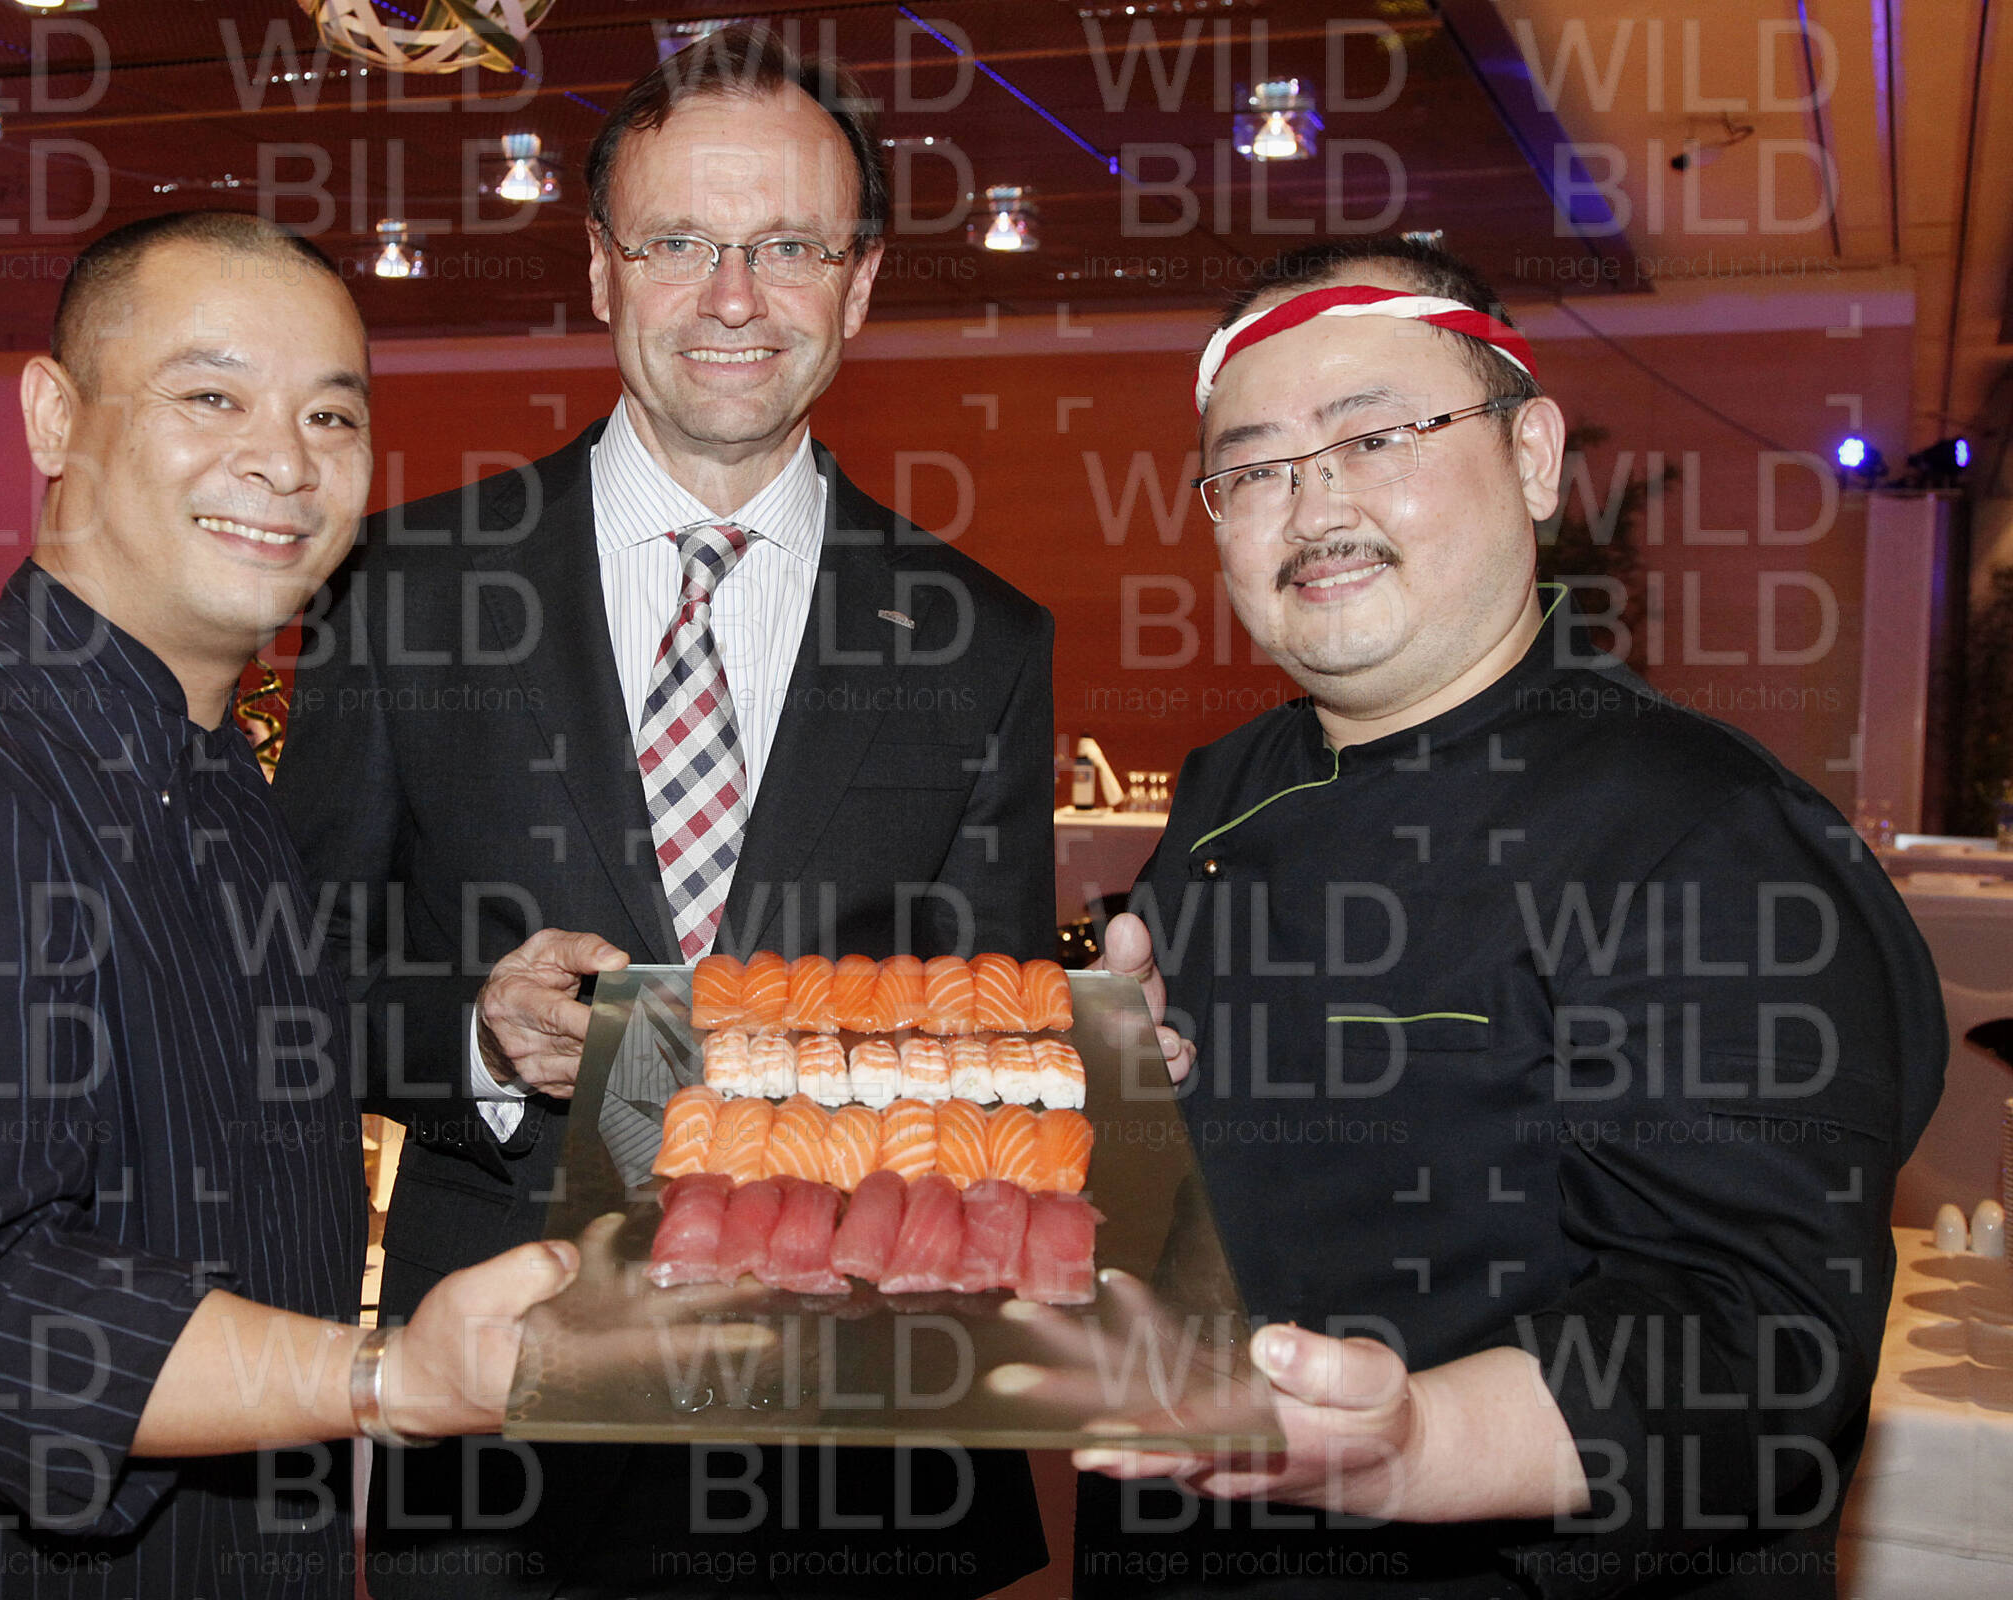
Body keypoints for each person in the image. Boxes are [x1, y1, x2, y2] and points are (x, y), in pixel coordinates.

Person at [0, 211, 585, 1599]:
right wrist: (387, 1376)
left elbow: (215, 1081)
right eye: (211, 397)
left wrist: (484, 1027)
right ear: (55, 417)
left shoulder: (217, 778)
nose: (285, 462)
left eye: (331, 415)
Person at [275, 24, 1057, 1597]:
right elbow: (285, 986)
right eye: (681, 241)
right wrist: (477, 1036)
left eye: (789, 246)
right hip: (502, 1428)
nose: (733, 297)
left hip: (849, 1449)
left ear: (860, 282)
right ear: (600, 268)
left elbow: (993, 1050)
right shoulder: (403, 589)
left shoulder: (979, 636)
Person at [1071, 239, 1946, 1597]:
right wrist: (1119, 1082)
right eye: (1254, 469)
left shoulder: (1705, 831)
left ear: (1533, 458)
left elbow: (1756, 1335)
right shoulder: (1227, 787)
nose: (1314, 507)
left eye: (1375, 438)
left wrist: (1415, 1448)